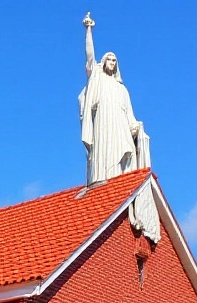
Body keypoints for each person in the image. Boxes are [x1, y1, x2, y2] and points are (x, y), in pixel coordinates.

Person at [79, 13, 150, 184]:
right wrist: (89, 29)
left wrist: (137, 127)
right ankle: (102, 181)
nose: (112, 62)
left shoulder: (122, 89)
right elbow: (89, 56)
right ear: (103, 62)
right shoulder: (97, 77)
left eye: (114, 60)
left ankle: (121, 184)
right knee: (105, 154)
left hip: (120, 127)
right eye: (109, 59)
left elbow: (129, 115)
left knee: (124, 154)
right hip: (103, 123)